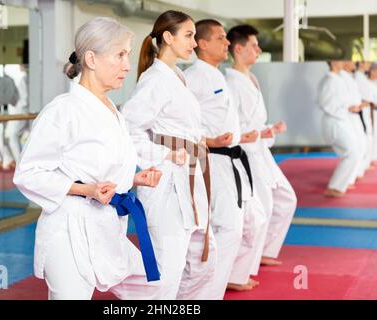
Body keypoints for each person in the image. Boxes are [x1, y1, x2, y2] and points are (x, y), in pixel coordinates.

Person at [14, 17, 164, 300]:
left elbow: (91, 166)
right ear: (92, 59)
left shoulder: (111, 110)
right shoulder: (63, 110)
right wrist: (86, 189)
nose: (127, 66)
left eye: (127, 55)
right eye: (120, 55)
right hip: (69, 230)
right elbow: (28, 173)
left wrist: (130, 179)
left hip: (105, 224)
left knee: (152, 289)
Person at [121, 10, 217, 300]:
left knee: (205, 259)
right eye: (188, 35)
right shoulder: (155, 79)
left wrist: (200, 141)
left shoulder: (176, 76)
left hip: (189, 175)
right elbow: (128, 127)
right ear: (167, 37)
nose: (194, 43)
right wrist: (164, 154)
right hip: (168, 182)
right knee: (167, 268)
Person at [184, 19, 267, 295]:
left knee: (236, 225)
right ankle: (202, 292)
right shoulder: (194, 76)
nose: (227, 43)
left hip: (230, 159)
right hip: (211, 160)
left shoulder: (216, 74)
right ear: (203, 44)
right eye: (221, 38)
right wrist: (207, 140)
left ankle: (213, 288)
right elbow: (180, 121)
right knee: (228, 227)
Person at [225, 24, 297, 275]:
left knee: (287, 199)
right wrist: (258, 133)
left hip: (260, 149)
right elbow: (234, 125)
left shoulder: (250, 78)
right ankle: (238, 271)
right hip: (246, 152)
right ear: (238, 48)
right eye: (254, 46)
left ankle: (263, 251)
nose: (259, 49)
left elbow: (253, 120)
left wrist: (269, 129)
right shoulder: (231, 82)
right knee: (261, 209)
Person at [317, 61, 362, 196]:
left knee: (354, 152)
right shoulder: (329, 80)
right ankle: (334, 187)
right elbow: (325, 103)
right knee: (352, 152)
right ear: (334, 61)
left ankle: (339, 185)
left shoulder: (337, 78)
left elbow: (342, 100)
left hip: (342, 119)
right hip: (334, 121)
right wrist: (346, 108)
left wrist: (349, 106)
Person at [339, 61, 368, 182]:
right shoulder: (340, 77)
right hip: (348, 115)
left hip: (355, 113)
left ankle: (353, 176)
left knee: (361, 145)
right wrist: (351, 107)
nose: (354, 63)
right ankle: (348, 179)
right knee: (355, 148)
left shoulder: (350, 77)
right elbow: (342, 98)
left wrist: (359, 104)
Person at [0, 67, 20, 170]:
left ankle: (13, 160)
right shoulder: (9, 80)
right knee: (3, 136)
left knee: (1, 136)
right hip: (5, 111)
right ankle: (10, 160)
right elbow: (15, 97)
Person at [4, 64, 29, 165]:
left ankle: (20, 162)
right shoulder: (29, 78)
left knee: (12, 136)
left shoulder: (24, 79)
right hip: (30, 111)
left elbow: (25, 100)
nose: (19, 65)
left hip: (24, 112)